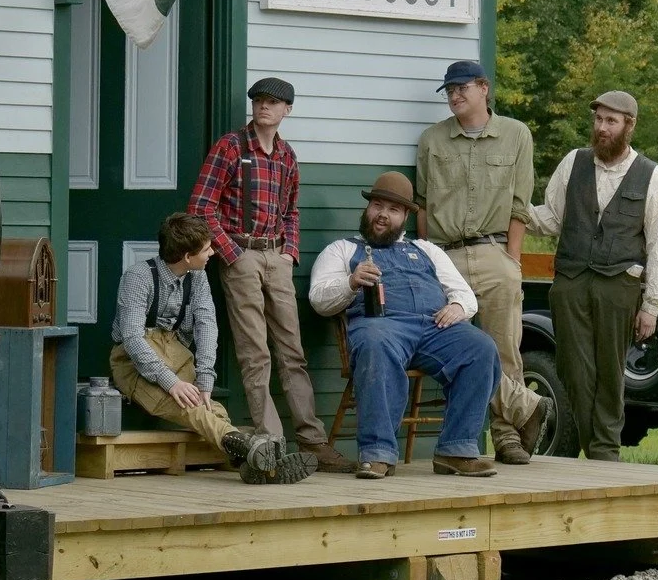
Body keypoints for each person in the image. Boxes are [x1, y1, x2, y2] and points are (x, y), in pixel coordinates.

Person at [308, 173, 548, 480]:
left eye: (393, 210)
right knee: (375, 343)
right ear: (367, 209)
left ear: (405, 217)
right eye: (377, 206)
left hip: (434, 328)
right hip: (382, 326)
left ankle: (456, 451)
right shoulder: (342, 249)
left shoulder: (426, 250)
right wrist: (350, 283)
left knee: (481, 347)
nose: (383, 214)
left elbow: (464, 294)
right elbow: (319, 299)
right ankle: (378, 453)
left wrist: (458, 307)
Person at [189, 78, 347, 472]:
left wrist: (290, 252)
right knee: (254, 352)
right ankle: (272, 442)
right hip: (241, 255)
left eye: (273, 102)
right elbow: (201, 206)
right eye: (259, 100)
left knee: (292, 351)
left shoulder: (287, 155)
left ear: (286, 110)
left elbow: (291, 212)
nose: (264, 106)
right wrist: (233, 254)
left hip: (277, 257)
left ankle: (313, 440)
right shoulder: (230, 147)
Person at [110, 213, 314, 486]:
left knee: (212, 408)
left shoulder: (197, 277)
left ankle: (253, 463)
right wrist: (172, 383)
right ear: (187, 256)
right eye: (207, 249)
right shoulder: (139, 277)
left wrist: (205, 379)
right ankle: (256, 452)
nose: (213, 253)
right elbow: (133, 339)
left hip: (176, 354)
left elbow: (207, 326)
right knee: (188, 408)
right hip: (134, 364)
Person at [415, 59, 552, 464]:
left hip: (495, 252)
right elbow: (421, 204)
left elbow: (520, 205)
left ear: (483, 88)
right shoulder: (432, 139)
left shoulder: (516, 134)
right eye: (450, 91)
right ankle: (523, 409)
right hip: (444, 256)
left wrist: (512, 260)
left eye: (462, 88)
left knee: (504, 349)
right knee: (450, 346)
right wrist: (427, 256)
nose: (455, 96)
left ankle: (507, 438)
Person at [527, 91, 658, 462]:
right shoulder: (573, 162)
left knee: (610, 372)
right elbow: (552, 218)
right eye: (598, 120)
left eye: (611, 121)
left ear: (629, 125)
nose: (602, 128)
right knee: (574, 371)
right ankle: (599, 451)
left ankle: (603, 452)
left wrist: (653, 305)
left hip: (619, 284)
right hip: (571, 281)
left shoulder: (652, 175)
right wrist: (513, 210)